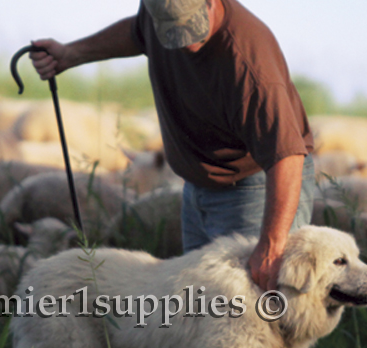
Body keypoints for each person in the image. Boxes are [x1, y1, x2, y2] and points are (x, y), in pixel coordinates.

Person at [29, 0, 315, 291]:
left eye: (192, 27)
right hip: (198, 186)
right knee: (201, 307)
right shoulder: (159, 10)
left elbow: (287, 156)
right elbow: (136, 31)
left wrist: (271, 245)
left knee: (259, 310)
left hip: (255, 189)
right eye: (171, 31)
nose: (185, 44)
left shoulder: (249, 62)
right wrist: (71, 54)